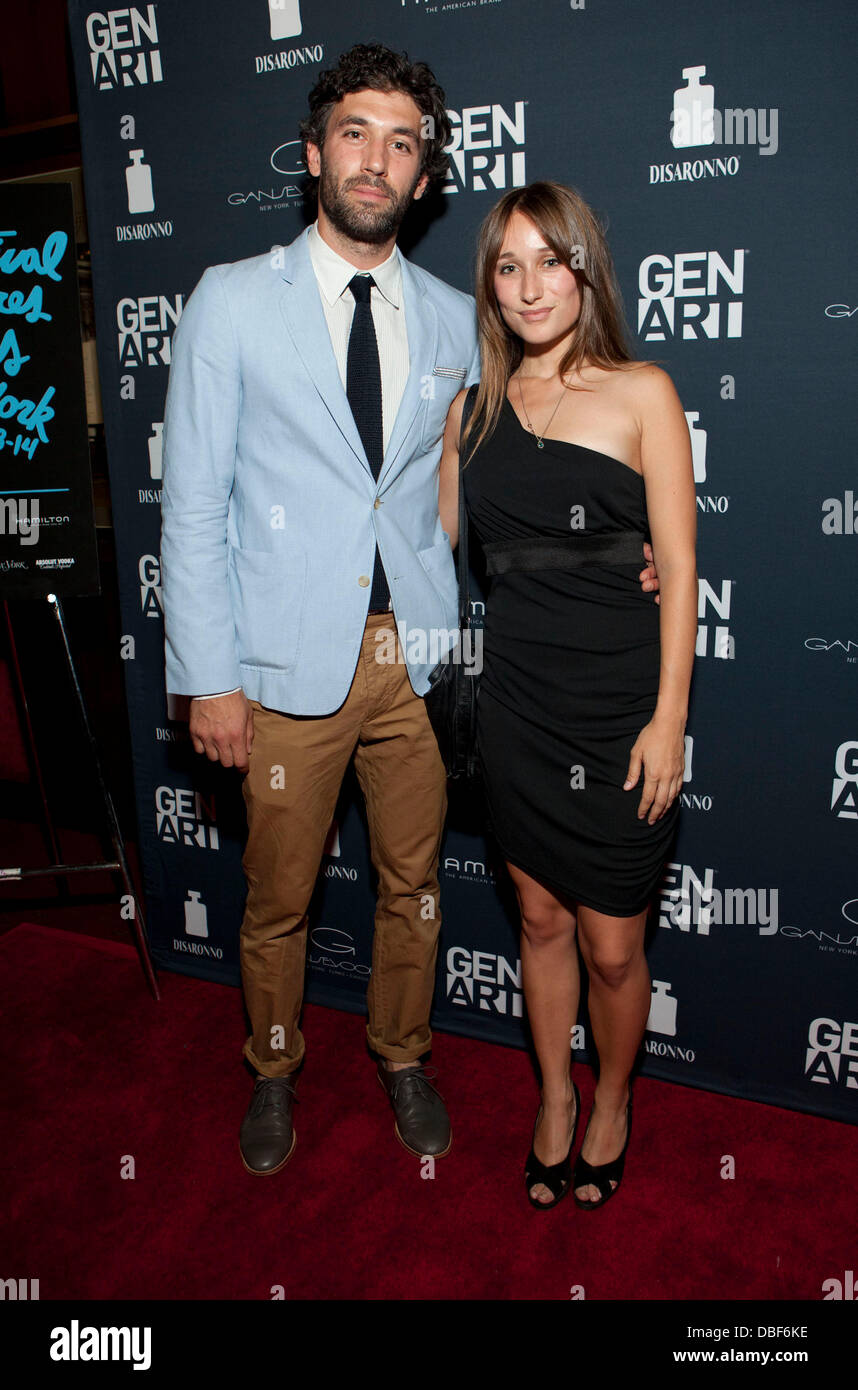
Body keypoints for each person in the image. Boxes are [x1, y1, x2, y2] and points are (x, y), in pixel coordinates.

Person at [160, 44, 662, 1178]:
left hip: (423, 657)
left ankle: (401, 1051)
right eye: (355, 133)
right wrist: (207, 674)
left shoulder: (458, 320)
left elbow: (512, 476)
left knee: (414, 883)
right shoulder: (234, 301)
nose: (376, 159)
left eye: (401, 141)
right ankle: (275, 1067)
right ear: (312, 153)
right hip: (278, 663)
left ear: (427, 175)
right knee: (277, 895)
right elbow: (190, 502)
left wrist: (636, 565)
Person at [439, 181, 697, 1210]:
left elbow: (677, 568)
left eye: (549, 259)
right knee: (539, 920)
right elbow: (423, 549)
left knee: (611, 939)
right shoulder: (474, 409)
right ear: (489, 287)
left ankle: (615, 1096)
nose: (529, 284)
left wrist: (669, 717)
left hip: (619, 705)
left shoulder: (643, 393)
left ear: (584, 268)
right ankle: (554, 1095)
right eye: (508, 265)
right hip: (517, 706)